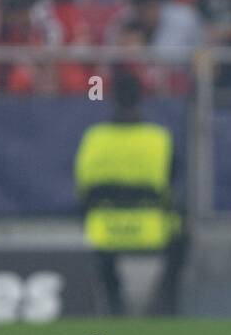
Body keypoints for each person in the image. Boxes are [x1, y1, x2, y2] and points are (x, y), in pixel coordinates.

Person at [73, 71, 186, 315]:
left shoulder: (94, 138)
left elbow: (83, 189)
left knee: (101, 255)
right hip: (150, 228)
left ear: (112, 99)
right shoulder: (158, 138)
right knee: (183, 238)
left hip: (102, 231)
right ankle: (164, 306)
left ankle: (114, 302)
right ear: (141, 99)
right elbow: (172, 183)